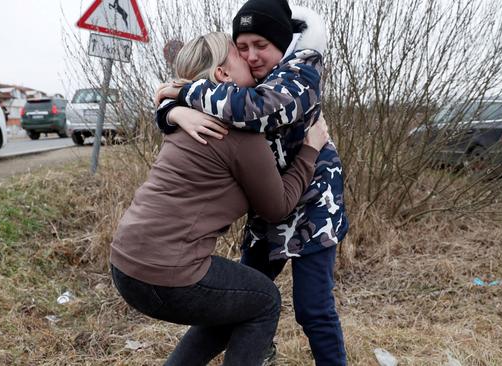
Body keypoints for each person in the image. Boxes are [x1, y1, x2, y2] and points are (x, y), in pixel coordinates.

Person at [110, 32, 331, 366]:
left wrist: (170, 110)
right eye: (240, 54)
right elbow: (278, 208)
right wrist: (310, 151)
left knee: (235, 306)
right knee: (265, 301)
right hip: (168, 273)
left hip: (125, 264)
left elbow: (167, 101)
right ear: (224, 74)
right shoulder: (237, 133)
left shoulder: (186, 117)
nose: (251, 60)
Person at [155, 1, 348, 364]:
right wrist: (171, 111)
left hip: (313, 209)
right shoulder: (244, 81)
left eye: (261, 44)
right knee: (235, 303)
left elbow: (255, 109)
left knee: (314, 310)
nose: (252, 55)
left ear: (282, 42)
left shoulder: (301, 73)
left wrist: (183, 93)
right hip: (270, 206)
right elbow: (213, 104)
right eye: (242, 47)